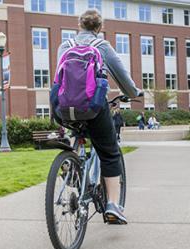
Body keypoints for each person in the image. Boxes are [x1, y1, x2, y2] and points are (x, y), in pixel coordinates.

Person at [56, 9, 142, 224]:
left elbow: (59, 76)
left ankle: (71, 162)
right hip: (93, 107)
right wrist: (134, 93)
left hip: (64, 107)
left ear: (80, 25)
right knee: (110, 152)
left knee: (76, 131)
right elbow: (123, 78)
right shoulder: (101, 46)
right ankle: (113, 205)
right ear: (99, 28)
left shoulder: (65, 46)